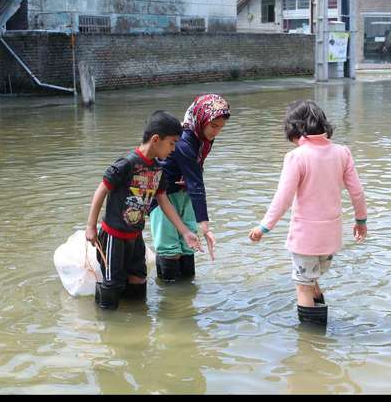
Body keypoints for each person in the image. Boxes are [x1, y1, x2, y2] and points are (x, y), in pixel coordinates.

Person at [248, 100, 367, 327]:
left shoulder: (296, 157)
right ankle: (321, 328)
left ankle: (310, 341)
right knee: (311, 279)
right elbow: (357, 192)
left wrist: (264, 227)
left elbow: (282, 198)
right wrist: (361, 221)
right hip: (330, 238)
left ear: (295, 129)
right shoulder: (342, 152)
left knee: (302, 285)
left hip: (306, 238)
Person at [85, 110, 202, 310]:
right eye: (172, 143)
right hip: (114, 236)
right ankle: (107, 328)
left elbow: (164, 202)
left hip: (135, 236)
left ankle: (137, 325)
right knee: (113, 284)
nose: (174, 149)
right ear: (156, 139)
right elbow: (101, 191)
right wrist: (91, 227)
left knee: (138, 281)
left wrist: (185, 231)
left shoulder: (158, 169)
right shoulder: (126, 164)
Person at [149, 94, 231, 282]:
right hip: (163, 196)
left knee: (188, 245)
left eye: (221, 127)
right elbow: (196, 183)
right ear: (201, 119)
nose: (216, 131)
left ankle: (186, 298)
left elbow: (195, 171)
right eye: (214, 126)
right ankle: (170, 299)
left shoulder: (202, 138)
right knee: (170, 247)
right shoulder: (185, 140)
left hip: (184, 193)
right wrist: (205, 226)